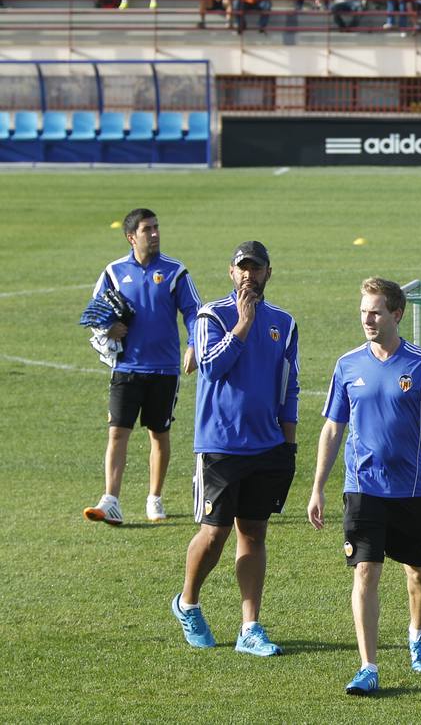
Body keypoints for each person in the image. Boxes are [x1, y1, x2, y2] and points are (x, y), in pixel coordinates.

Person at [308, 278, 421, 696]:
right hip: (362, 487)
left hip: (412, 489)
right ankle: (368, 666)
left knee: (418, 573)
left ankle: (417, 632)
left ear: (396, 314)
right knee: (365, 572)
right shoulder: (348, 365)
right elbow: (332, 429)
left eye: (375, 312)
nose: (367, 320)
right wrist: (318, 486)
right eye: (363, 312)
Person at [171, 241, 299, 655]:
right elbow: (209, 365)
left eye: (255, 268)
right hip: (220, 446)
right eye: (242, 268)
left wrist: (289, 444)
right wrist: (242, 325)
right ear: (231, 272)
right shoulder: (211, 316)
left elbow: (288, 386)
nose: (248, 275)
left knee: (254, 534)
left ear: (267, 273)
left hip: (267, 446)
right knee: (214, 534)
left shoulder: (284, 323)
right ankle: (187, 602)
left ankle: (250, 628)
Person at [83, 209, 200, 526]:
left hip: (164, 369)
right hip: (126, 367)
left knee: (158, 434)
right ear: (131, 237)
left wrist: (193, 345)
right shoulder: (115, 271)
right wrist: (108, 328)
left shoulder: (175, 271)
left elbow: (194, 312)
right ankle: (111, 500)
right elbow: (94, 312)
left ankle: (155, 497)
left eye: (156, 227)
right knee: (117, 433)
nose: (155, 233)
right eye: (147, 229)